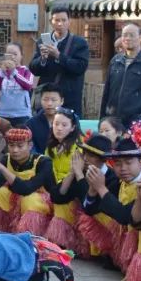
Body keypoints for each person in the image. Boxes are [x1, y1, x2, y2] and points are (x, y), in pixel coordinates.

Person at [81, 137, 141, 272]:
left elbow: (125, 216)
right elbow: (90, 210)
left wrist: (101, 188)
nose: (123, 168)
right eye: (117, 164)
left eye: (128, 163)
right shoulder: (119, 181)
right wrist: (93, 189)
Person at [100, 22, 141, 155]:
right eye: (125, 35)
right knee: (113, 159)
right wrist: (102, 119)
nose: (127, 38)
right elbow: (107, 91)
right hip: (114, 122)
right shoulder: (115, 61)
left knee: (135, 159)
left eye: (132, 35)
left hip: (137, 123)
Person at [0, 128, 55, 234]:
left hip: (42, 205)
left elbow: (26, 189)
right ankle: (0, 230)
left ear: (30, 145)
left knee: (30, 200)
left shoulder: (44, 162)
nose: (15, 150)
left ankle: (30, 235)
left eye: (20, 146)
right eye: (11, 145)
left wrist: (1, 168)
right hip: (17, 198)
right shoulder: (7, 159)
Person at [44, 108, 89, 257]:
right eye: (56, 124)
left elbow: (77, 174)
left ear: (73, 127)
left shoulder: (79, 148)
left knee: (62, 203)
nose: (59, 128)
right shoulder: (51, 146)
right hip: (53, 187)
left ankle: (62, 239)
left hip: (70, 188)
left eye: (64, 125)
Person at [29, 6, 90, 118]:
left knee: (68, 130)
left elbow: (81, 67)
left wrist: (59, 56)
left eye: (63, 20)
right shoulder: (43, 41)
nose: (60, 24)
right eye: (57, 20)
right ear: (51, 22)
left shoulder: (79, 43)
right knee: (45, 130)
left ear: (69, 22)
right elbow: (33, 68)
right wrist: (42, 59)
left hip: (69, 98)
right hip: (48, 98)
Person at [72, 134, 122, 261]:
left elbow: (91, 209)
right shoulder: (82, 170)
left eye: (92, 155)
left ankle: (109, 252)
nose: (85, 158)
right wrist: (73, 173)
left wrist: (79, 176)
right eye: (85, 153)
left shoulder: (113, 179)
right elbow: (58, 196)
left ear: (103, 160)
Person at [0, 42, 34, 127]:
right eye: (9, 54)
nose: (12, 57)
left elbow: (28, 86)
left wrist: (14, 72)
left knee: (21, 138)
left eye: (15, 54)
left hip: (22, 114)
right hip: (2, 113)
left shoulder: (26, 71)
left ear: (21, 55)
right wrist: (2, 74)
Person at [27, 84, 64, 154]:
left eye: (54, 100)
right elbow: (30, 148)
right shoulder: (31, 123)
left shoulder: (71, 119)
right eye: (45, 100)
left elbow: (78, 141)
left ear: (62, 101)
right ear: (41, 100)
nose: (49, 103)